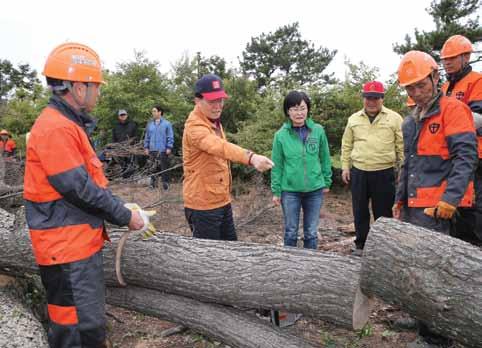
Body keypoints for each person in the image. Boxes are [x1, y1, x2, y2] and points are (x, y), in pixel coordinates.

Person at [23, 42, 145, 348]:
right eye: (95, 86)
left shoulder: (67, 125)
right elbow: (79, 189)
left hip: (74, 247)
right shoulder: (56, 128)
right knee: (78, 334)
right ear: (78, 88)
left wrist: (118, 205)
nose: (98, 93)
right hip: (66, 251)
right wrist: (125, 216)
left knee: (86, 329)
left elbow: (86, 183)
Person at [394, 49, 478, 348]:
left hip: (438, 209)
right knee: (415, 267)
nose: (417, 92)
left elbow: (465, 159)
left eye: (421, 85)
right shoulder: (411, 120)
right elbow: (409, 164)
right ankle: (420, 319)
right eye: (411, 88)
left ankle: (437, 337)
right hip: (414, 206)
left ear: (434, 77)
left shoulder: (453, 110)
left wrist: (450, 200)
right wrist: (399, 200)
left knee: (436, 274)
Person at [182, 73, 273, 241]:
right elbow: (220, 147)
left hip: (221, 199)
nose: (218, 106)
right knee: (209, 259)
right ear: (197, 101)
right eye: (212, 101)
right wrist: (251, 157)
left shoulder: (213, 120)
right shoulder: (195, 127)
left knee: (231, 250)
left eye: (220, 100)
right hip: (203, 205)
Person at [341, 81, 404, 256]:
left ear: (382, 98)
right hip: (359, 171)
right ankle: (361, 245)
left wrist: (404, 171)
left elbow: (402, 146)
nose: (371, 101)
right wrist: (345, 167)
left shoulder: (395, 118)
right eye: (368, 97)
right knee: (360, 211)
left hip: (384, 172)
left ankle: (384, 248)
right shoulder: (353, 119)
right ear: (363, 98)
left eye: (376, 98)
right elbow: (346, 145)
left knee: (383, 213)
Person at [271, 91, 332, 249]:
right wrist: (276, 191)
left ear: (308, 109)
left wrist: (326, 181)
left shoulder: (317, 130)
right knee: (291, 231)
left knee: (311, 232)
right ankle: (289, 265)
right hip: (290, 190)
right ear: (288, 112)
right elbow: (277, 165)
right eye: (294, 109)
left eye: (302, 108)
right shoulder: (280, 135)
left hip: (315, 189)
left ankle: (309, 266)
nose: (299, 113)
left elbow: (325, 157)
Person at [440, 34, 482, 244]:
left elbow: (477, 118)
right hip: (451, 155)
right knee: (455, 205)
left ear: (466, 57)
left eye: (452, 58)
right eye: (444, 59)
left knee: (473, 209)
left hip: (475, 155)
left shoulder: (477, 81)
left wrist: (448, 123)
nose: (447, 62)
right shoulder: (446, 87)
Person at [143, 105, 174, 190]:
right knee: (152, 168)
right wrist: (146, 147)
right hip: (152, 149)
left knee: (164, 168)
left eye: (154, 111)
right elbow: (147, 137)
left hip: (163, 149)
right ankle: (153, 185)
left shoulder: (167, 124)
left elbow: (170, 136)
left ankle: (166, 185)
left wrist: (169, 147)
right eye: (152, 111)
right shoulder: (150, 125)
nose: (153, 113)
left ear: (160, 112)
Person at [112, 109, 138, 178]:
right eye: (121, 115)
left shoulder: (132, 124)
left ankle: (130, 177)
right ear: (119, 116)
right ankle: (124, 178)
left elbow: (135, 137)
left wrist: (134, 146)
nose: (123, 116)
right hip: (120, 148)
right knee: (122, 163)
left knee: (130, 163)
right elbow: (114, 138)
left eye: (124, 115)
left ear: (127, 115)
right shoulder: (115, 126)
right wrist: (115, 147)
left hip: (130, 148)